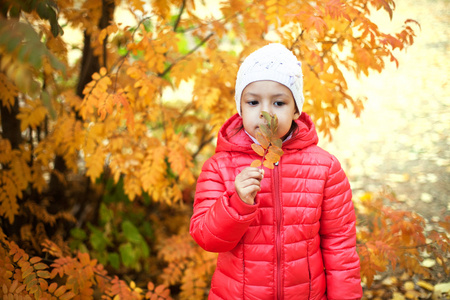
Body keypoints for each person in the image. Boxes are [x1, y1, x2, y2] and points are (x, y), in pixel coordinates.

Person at [190, 43, 362, 300]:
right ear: (240, 107)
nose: (265, 113)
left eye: (279, 102)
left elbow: (340, 244)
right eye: (253, 102)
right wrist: (236, 204)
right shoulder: (219, 167)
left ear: (296, 109)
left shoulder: (325, 168)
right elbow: (207, 238)